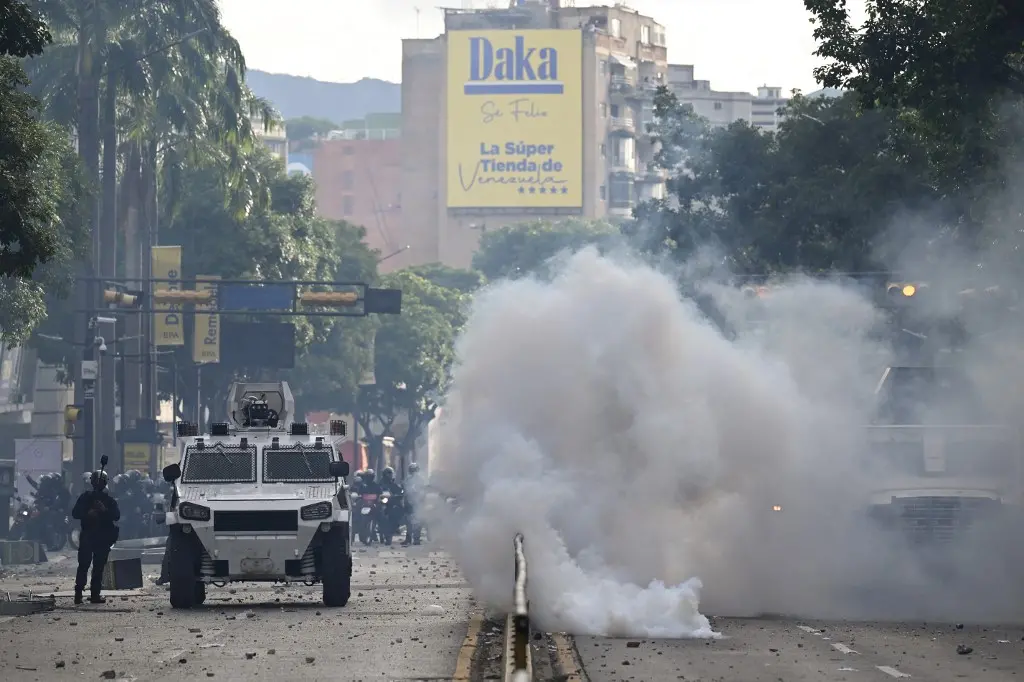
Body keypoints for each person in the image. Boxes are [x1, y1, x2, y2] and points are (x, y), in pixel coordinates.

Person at [71, 469, 121, 604]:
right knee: (85, 565)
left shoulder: (108, 500)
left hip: (102, 536)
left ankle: (93, 594)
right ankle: (80, 593)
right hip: (90, 534)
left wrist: (104, 511)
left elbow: (116, 515)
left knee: (96, 567)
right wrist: (89, 513)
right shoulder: (86, 498)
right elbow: (75, 513)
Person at [402, 462, 423, 546]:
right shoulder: (407, 479)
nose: (413, 471)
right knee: (408, 521)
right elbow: (404, 490)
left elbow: (422, 491)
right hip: (409, 502)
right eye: (412, 470)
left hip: (417, 502)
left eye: (414, 470)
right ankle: (408, 539)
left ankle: (416, 539)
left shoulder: (421, 480)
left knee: (417, 521)